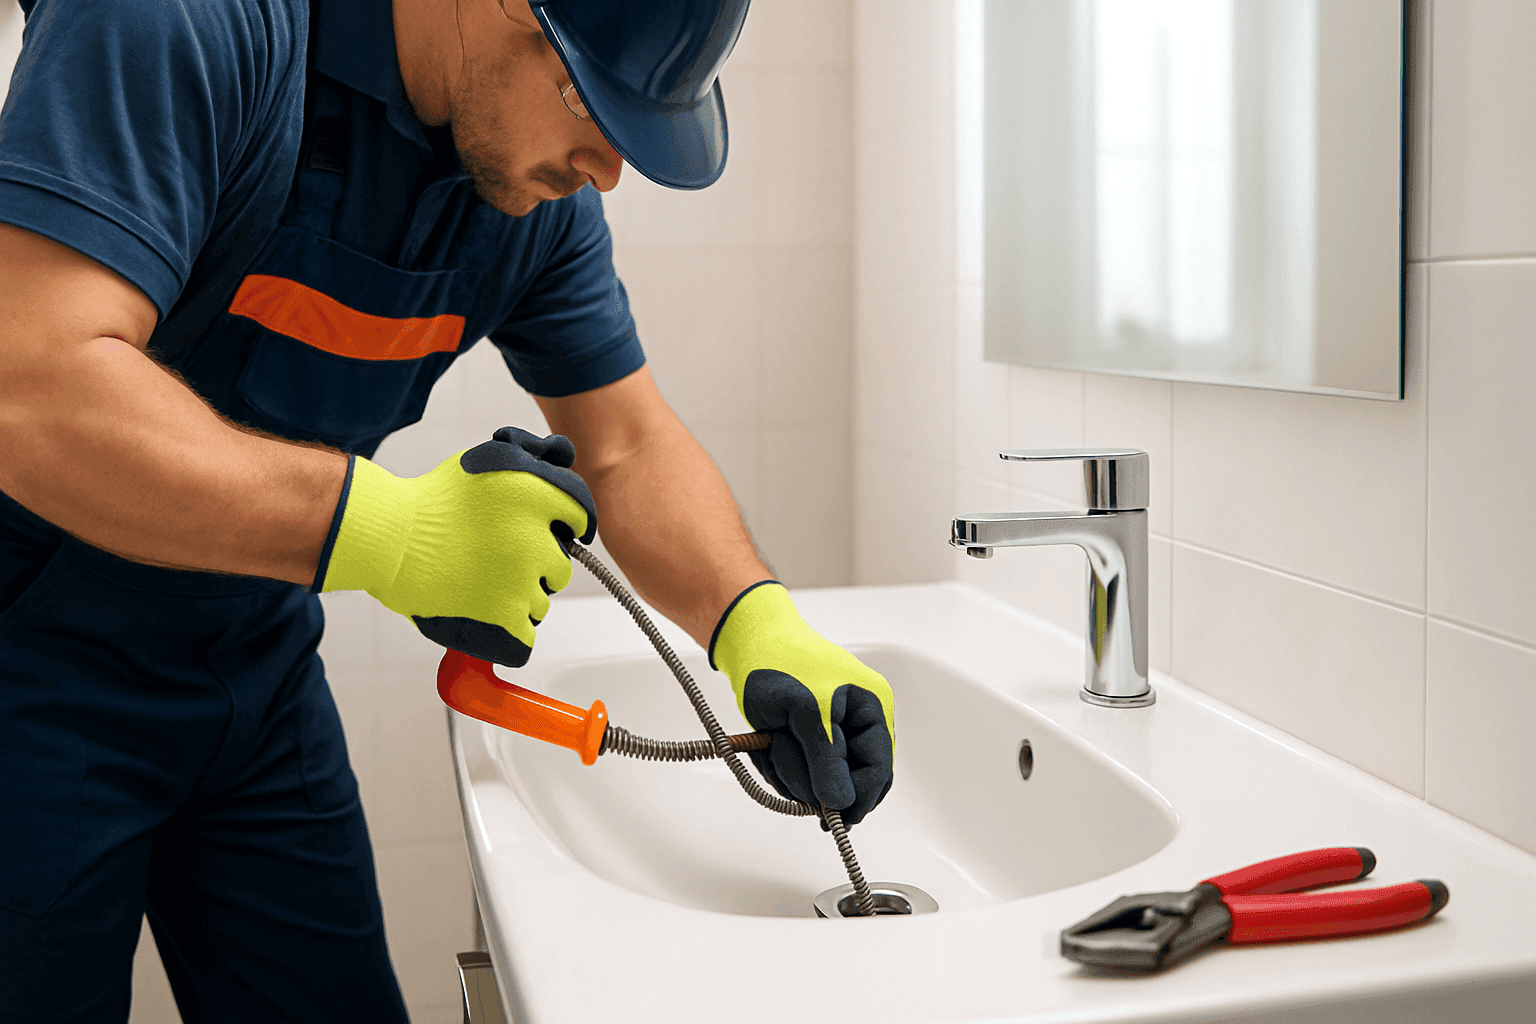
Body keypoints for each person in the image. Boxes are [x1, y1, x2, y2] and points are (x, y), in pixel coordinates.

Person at [0, 0, 895, 1020]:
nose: (608, 169)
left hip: (251, 667)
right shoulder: (181, 24)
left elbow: (628, 443)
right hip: (27, 667)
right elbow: (34, 390)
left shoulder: (527, 199)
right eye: (591, 102)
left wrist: (756, 623)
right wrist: (394, 533)